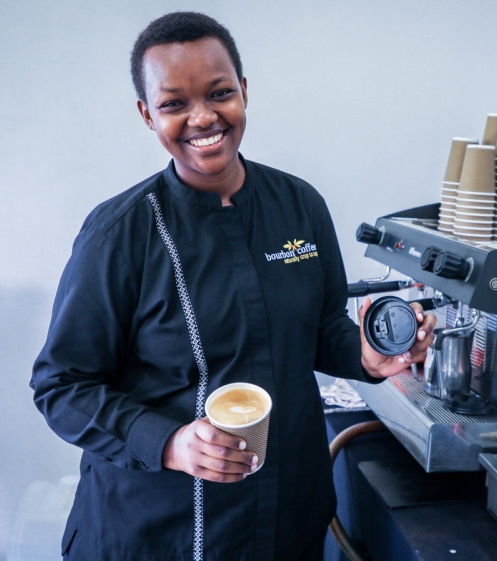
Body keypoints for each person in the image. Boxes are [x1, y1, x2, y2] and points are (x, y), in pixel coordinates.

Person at [30, 11, 435, 561]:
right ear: (148, 115)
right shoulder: (118, 233)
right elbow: (63, 386)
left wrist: (366, 354)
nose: (203, 117)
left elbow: (320, 330)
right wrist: (168, 442)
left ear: (243, 92)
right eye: (174, 103)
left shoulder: (299, 206)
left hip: (283, 521)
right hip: (157, 531)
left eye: (219, 93)